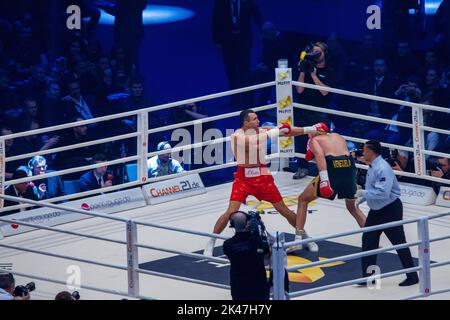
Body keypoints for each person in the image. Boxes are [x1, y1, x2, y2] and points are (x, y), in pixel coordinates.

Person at [203, 109, 328, 256]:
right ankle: (210, 242)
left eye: (257, 118)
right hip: (243, 180)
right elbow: (252, 141)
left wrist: (311, 129)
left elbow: (289, 131)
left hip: (262, 177)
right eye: (254, 119)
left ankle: (304, 235)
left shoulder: (263, 130)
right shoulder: (237, 135)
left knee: (283, 210)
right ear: (246, 122)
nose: (258, 121)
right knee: (230, 212)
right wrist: (274, 131)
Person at [288, 128, 367, 252]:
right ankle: (371, 241)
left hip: (331, 168)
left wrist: (324, 180)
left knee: (303, 199)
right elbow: (345, 153)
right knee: (353, 207)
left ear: (315, 132)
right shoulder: (338, 136)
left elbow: (320, 157)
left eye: (310, 131)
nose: (308, 135)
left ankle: (298, 240)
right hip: (349, 168)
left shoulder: (315, 140)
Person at [355, 140, 419, 287]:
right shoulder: (372, 166)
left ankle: (412, 276)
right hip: (377, 210)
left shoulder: (383, 168)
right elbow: (373, 187)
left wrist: (362, 192)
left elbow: (383, 193)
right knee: (368, 241)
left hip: (390, 209)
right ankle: (369, 276)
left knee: (399, 243)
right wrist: (363, 198)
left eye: (364, 150)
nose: (362, 153)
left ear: (371, 152)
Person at [293, 41, 336, 180]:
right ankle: (302, 168)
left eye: (319, 52)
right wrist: (303, 71)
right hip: (303, 110)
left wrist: (314, 75)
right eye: (314, 51)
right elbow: (299, 90)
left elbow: (325, 92)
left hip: (320, 111)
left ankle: (324, 171)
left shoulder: (330, 70)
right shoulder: (306, 67)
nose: (316, 54)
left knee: (322, 142)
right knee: (300, 140)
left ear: (325, 54)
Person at [223, 211, 270, 300]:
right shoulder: (258, 242)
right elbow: (267, 255)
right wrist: (261, 231)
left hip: (238, 287)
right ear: (247, 224)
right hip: (259, 287)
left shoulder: (227, 244)